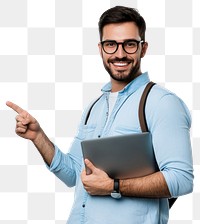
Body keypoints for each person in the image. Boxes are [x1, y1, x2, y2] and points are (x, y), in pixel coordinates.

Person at [7, 6, 193, 224]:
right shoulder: (94, 107)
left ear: (143, 49)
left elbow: (182, 179)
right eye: (111, 44)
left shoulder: (161, 103)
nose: (120, 54)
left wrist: (113, 186)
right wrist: (38, 137)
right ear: (101, 49)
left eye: (130, 44)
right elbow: (74, 175)